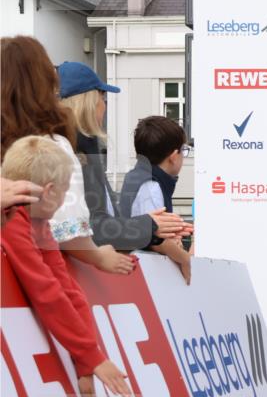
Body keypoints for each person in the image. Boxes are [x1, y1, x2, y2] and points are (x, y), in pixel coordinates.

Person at [0, 136, 133, 397]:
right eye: (66, 191)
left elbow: (68, 290)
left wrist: (86, 365)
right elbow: (44, 291)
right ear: (49, 192)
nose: (65, 201)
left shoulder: (39, 224)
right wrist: (92, 357)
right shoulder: (14, 221)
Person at [1, 35, 134, 276]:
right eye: (102, 98)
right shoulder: (51, 147)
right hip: (33, 276)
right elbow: (68, 229)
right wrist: (99, 256)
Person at [58, 62, 188, 252]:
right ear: (90, 102)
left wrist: (148, 229)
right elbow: (95, 228)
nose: (105, 107)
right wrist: (149, 226)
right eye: (104, 99)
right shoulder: (74, 154)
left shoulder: (78, 150)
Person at [119, 116, 193, 284]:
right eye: (184, 150)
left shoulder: (138, 178)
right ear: (174, 156)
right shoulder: (151, 186)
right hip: (145, 276)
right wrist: (184, 258)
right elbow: (155, 239)